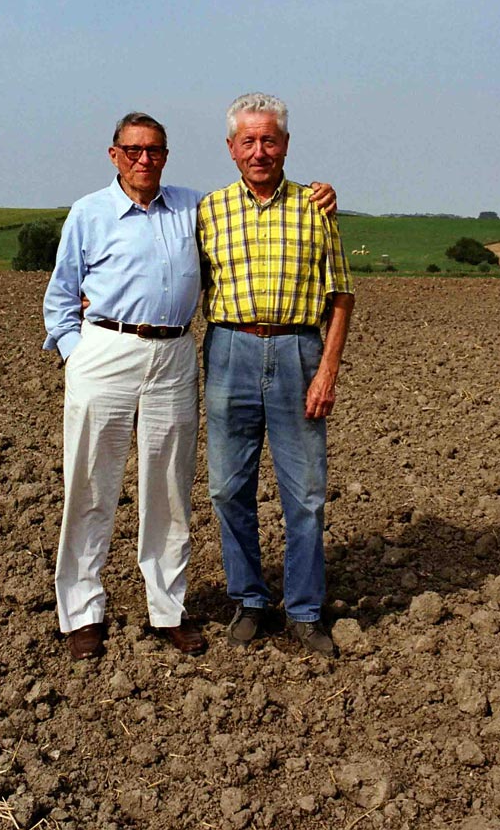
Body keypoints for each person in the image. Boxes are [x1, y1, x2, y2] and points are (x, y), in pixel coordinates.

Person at [42, 111, 336, 660]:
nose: (144, 160)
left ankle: (168, 608)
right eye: (133, 150)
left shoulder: (192, 208)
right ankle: (82, 612)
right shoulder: (88, 213)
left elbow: (256, 223)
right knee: (90, 484)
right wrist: (75, 353)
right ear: (114, 155)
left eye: (154, 150)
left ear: (166, 155)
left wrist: (322, 194)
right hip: (105, 350)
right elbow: (61, 297)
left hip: (174, 354)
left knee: (170, 487)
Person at [197, 93, 355, 657]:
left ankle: (307, 610)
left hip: (297, 351)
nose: (259, 150)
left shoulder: (316, 207)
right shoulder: (208, 210)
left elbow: (341, 294)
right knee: (226, 486)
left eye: (269, 140)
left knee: (306, 491)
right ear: (231, 148)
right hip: (229, 349)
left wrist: (328, 369)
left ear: (285, 144)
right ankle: (250, 599)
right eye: (248, 141)